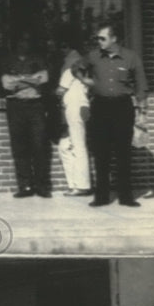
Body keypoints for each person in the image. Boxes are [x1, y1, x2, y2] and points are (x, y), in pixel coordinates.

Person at [85, 22, 147, 207]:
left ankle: (126, 197)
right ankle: (101, 196)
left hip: (122, 107)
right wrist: (85, 80)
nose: (99, 41)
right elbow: (76, 68)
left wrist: (142, 109)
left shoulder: (131, 57)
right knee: (101, 153)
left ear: (114, 39)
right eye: (97, 38)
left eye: (102, 38)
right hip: (100, 107)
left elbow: (141, 83)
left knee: (123, 153)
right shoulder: (94, 56)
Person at [0, 33, 51, 198]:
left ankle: (42, 186)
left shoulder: (38, 59)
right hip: (15, 107)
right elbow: (6, 84)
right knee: (19, 147)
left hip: (36, 107)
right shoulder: (7, 61)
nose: (24, 44)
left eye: (27, 41)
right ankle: (25, 186)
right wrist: (31, 80)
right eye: (21, 41)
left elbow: (44, 78)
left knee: (39, 145)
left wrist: (18, 81)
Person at [55, 49, 93, 196]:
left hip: (74, 108)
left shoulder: (69, 71)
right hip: (80, 107)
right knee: (65, 146)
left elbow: (60, 91)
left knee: (78, 146)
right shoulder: (85, 72)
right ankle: (74, 184)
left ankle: (82, 185)